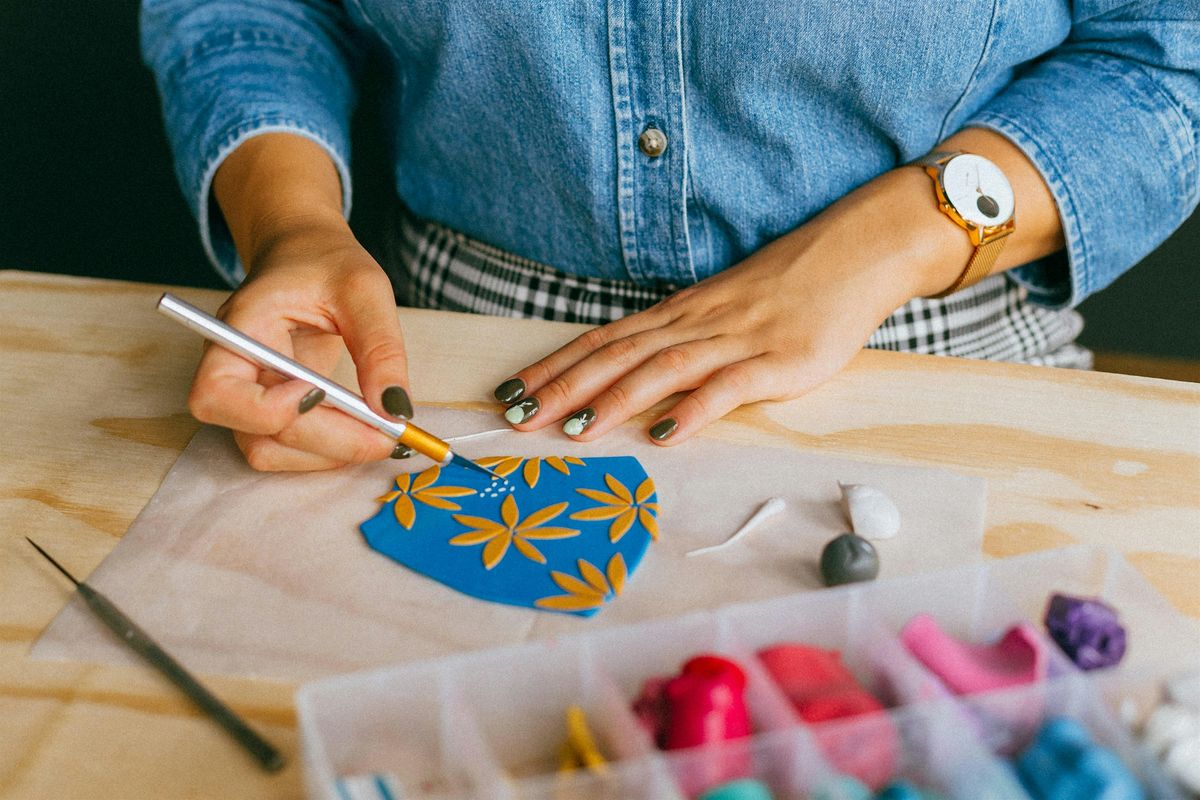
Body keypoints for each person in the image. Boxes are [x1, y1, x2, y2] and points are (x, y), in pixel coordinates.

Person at [141, 0, 1198, 472]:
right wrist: (292, 226)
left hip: (929, 350)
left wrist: (881, 244)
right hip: (446, 358)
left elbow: (1173, 47)